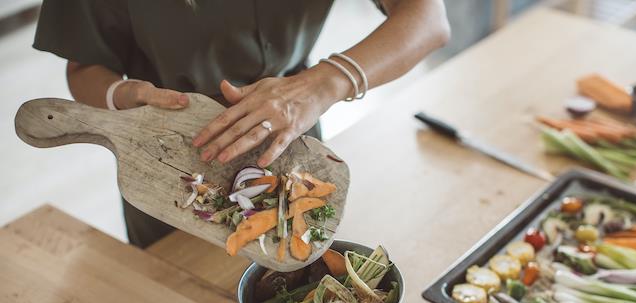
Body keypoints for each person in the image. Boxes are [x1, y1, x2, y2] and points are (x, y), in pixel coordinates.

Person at [33, 0, 450, 248]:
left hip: (291, 143)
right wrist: (124, 98)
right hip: (167, 161)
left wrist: (321, 85)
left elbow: (427, 17)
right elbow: (85, 64)